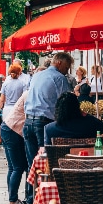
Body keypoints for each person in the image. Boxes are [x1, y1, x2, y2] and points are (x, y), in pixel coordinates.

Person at [23, 51, 75, 183]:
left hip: (28, 121)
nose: (67, 71)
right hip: (44, 123)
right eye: (66, 67)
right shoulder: (59, 78)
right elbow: (67, 101)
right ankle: (44, 197)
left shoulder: (37, 75)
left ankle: (31, 200)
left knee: (32, 164)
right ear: (59, 63)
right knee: (46, 163)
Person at [0, 62, 30, 204]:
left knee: (12, 167)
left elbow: (1, 99)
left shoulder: (7, 82)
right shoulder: (25, 86)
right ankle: (12, 201)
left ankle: (12, 198)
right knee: (19, 167)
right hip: (14, 128)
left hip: (7, 119)